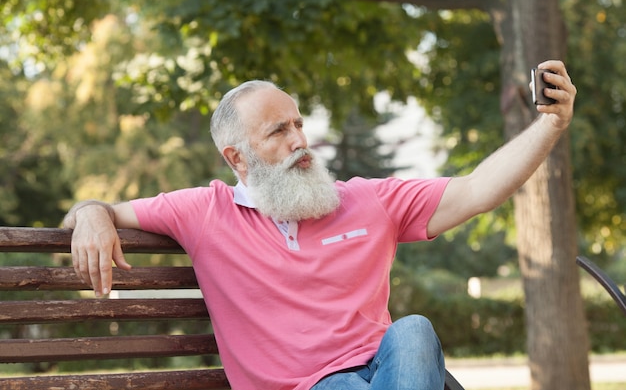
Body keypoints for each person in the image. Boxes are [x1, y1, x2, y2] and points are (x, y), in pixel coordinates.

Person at [62, 60, 576, 390]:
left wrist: (551, 123)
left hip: (389, 372)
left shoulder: (366, 199)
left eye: (299, 123)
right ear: (237, 157)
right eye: (279, 130)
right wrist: (89, 213)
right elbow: (99, 208)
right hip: (306, 387)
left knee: (414, 331)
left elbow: (476, 189)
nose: (299, 140)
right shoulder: (204, 212)